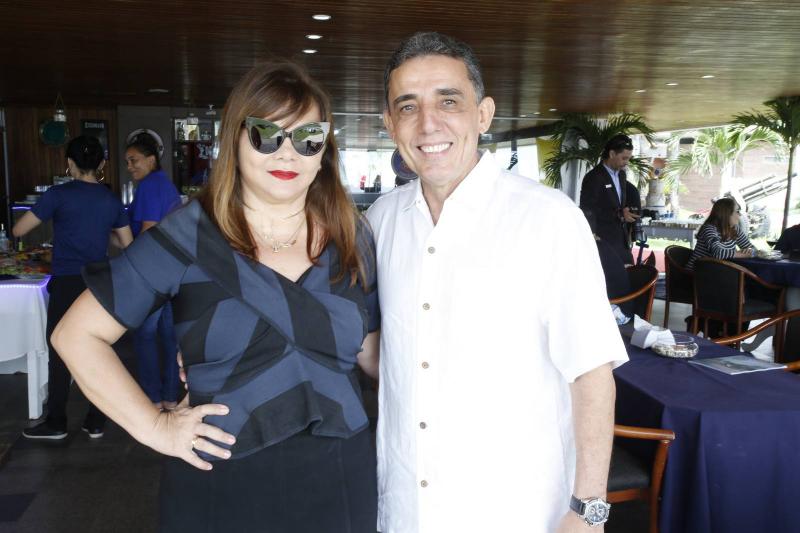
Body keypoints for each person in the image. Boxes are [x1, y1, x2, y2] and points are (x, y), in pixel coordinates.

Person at [52, 62, 380, 532]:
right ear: (235, 138)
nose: (288, 153)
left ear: (324, 150)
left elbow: (371, 355)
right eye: (267, 134)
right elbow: (75, 335)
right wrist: (155, 427)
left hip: (340, 479)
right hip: (222, 480)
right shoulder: (188, 236)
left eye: (309, 137)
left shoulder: (353, 237)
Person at [367, 32, 627, 532]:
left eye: (449, 101)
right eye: (408, 106)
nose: (428, 123)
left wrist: (589, 509)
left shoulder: (549, 218)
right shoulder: (381, 221)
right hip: (406, 508)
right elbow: (379, 350)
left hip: (517, 510)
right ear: (390, 124)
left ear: (483, 114)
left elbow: (591, 372)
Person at [14, 135, 133, 440]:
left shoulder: (58, 195)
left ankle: (56, 422)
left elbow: (19, 229)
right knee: (99, 348)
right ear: (101, 163)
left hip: (67, 281)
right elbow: (126, 243)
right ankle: (96, 420)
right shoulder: (110, 200)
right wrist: (101, 232)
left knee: (60, 349)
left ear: (70, 163)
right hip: (99, 283)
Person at [125, 135, 182, 410]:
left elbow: (148, 231)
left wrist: (129, 261)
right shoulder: (165, 184)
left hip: (152, 271)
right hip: (174, 270)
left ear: (151, 159)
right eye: (127, 162)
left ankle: (153, 399)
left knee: (145, 335)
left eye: (133, 160)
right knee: (169, 337)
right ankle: (170, 397)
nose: (129, 167)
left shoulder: (149, 186)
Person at [580, 134, 642, 264]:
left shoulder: (622, 175)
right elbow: (588, 209)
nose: (626, 162)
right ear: (612, 154)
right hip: (603, 239)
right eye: (624, 158)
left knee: (629, 270)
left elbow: (618, 203)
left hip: (621, 239)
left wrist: (625, 212)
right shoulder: (594, 177)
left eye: (628, 158)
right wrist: (592, 236)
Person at [686, 197, 755, 270]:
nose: (740, 215)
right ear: (727, 214)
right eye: (737, 211)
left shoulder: (734, 228)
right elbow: (718, 253)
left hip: (716, 272)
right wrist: (743, 254)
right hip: (696, 273)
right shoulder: (709, 229)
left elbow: (750, 247)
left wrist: (751, 251)